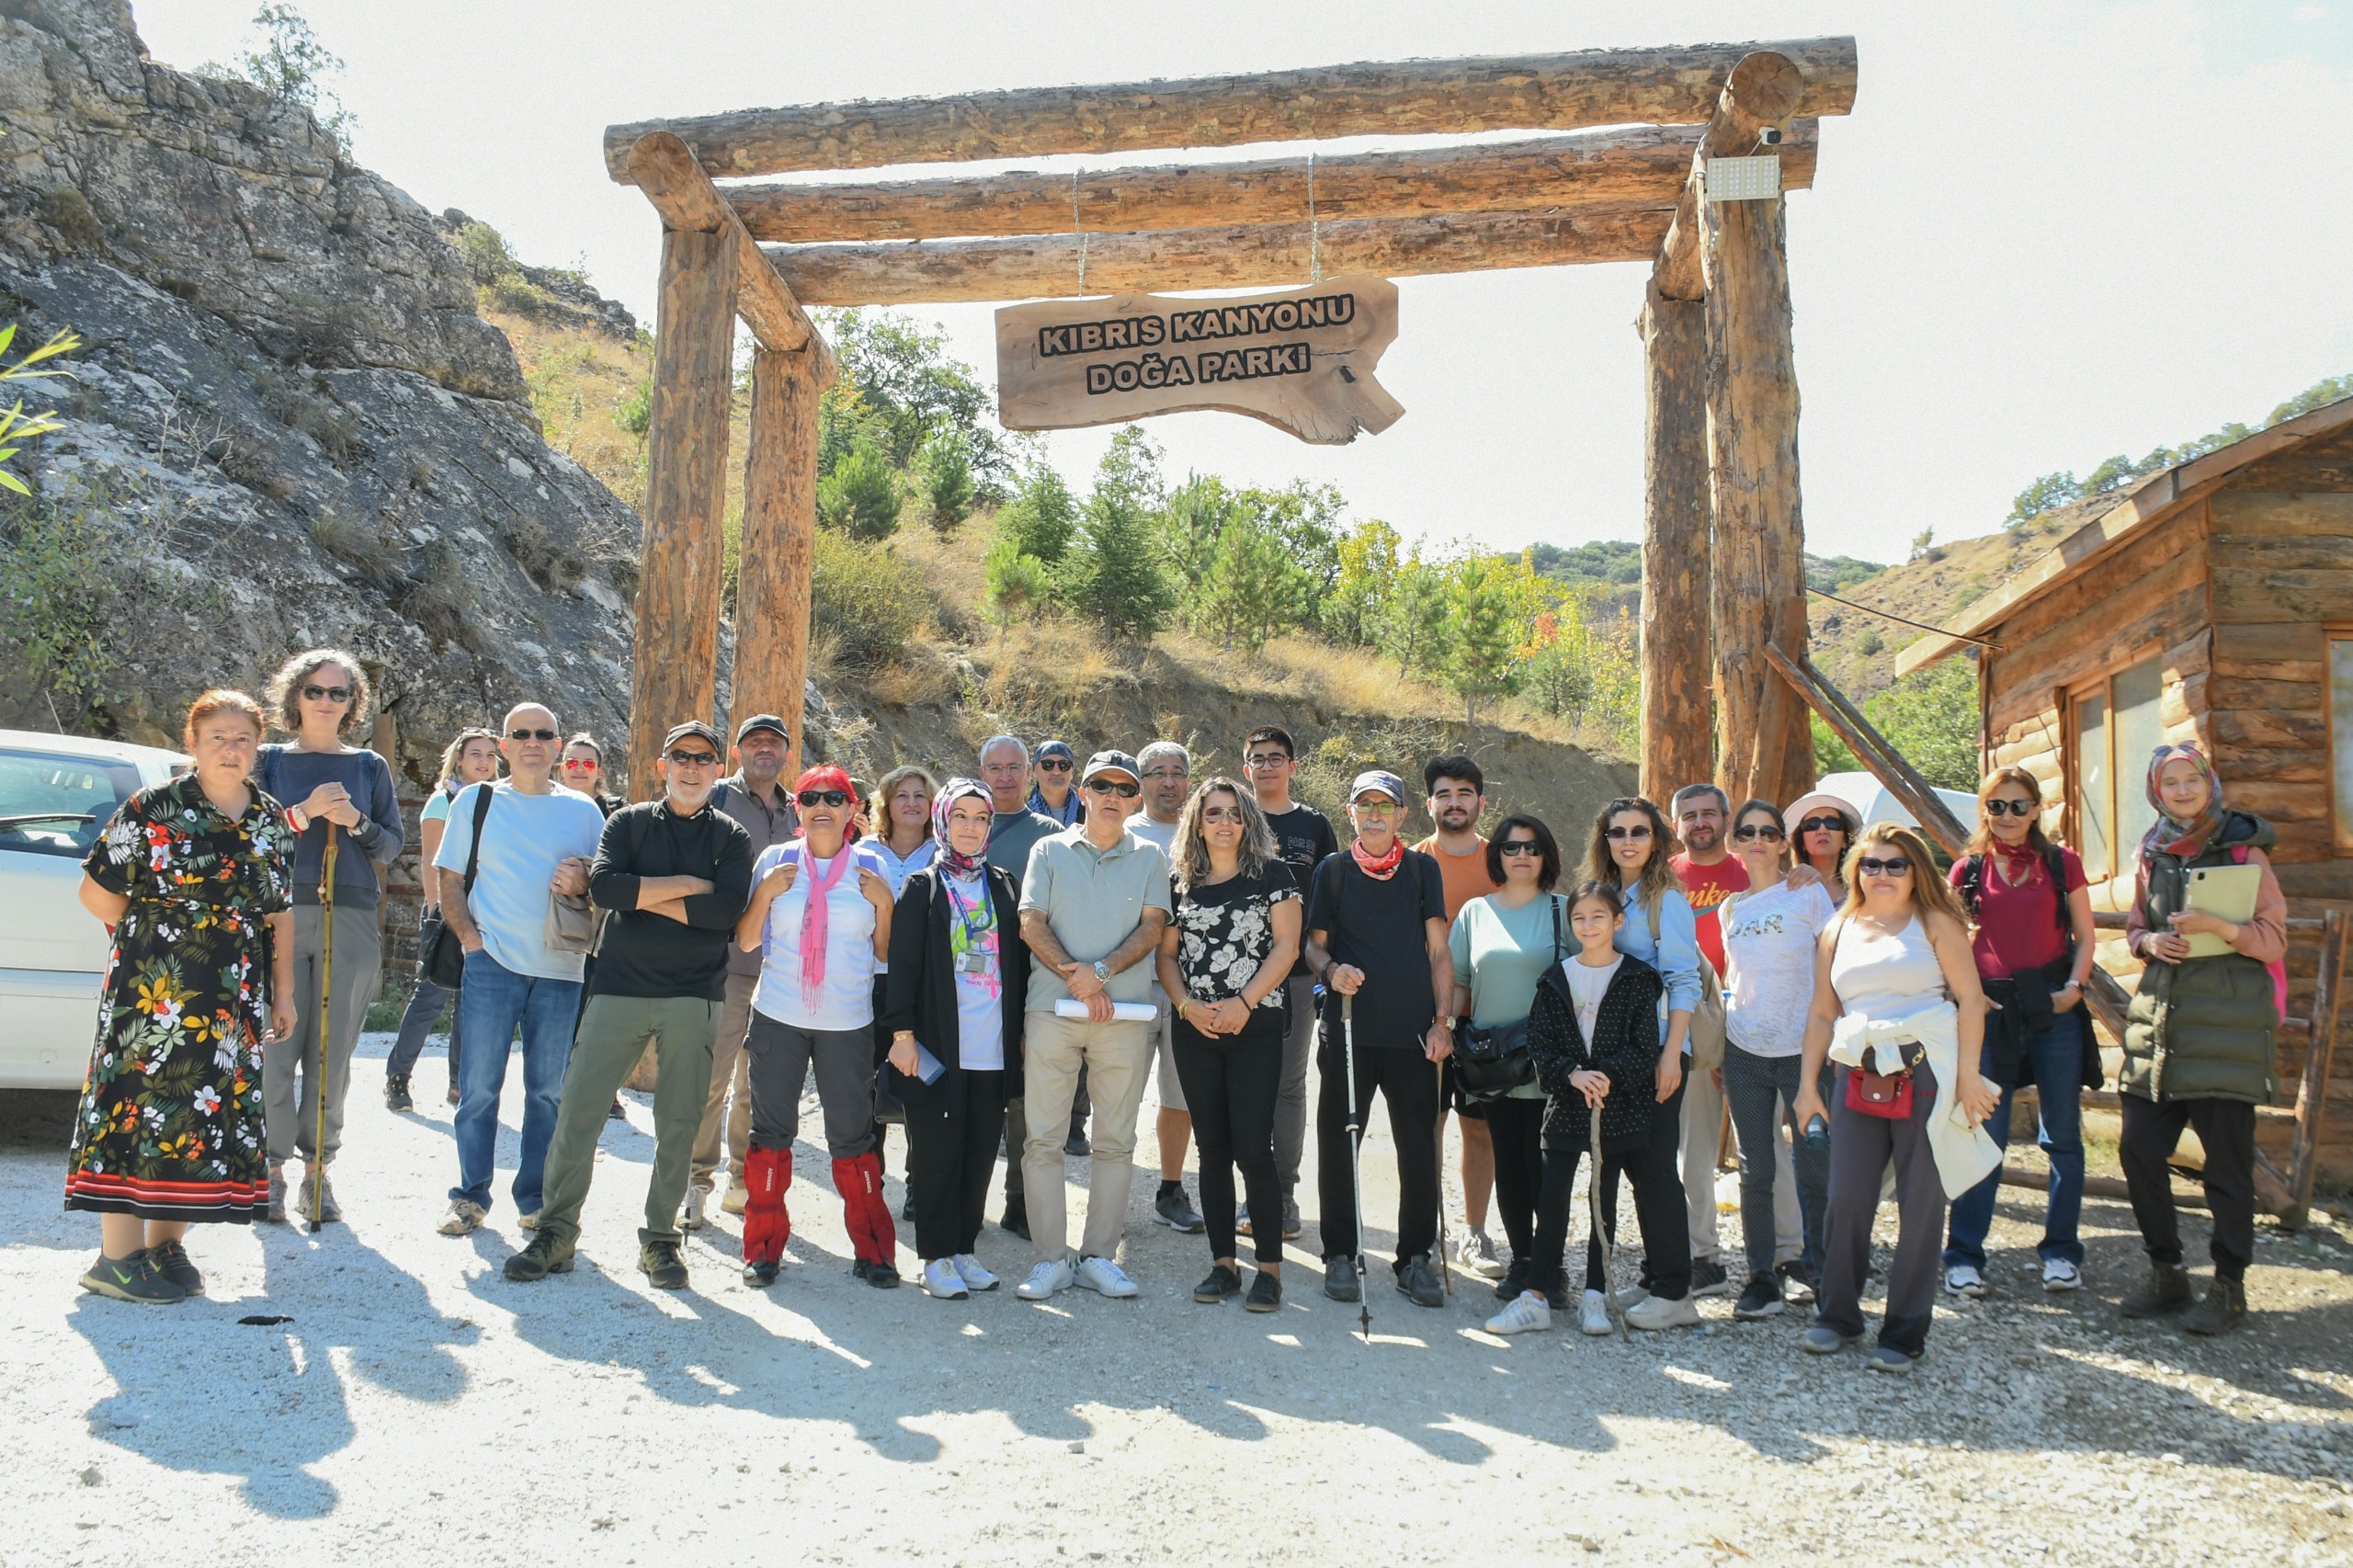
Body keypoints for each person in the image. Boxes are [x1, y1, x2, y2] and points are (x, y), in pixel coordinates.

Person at [66, 690, 297, 1302]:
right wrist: (154, 944)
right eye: (218, 736)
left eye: (243, 738)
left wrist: (284, 993)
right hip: (154, 995)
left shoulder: (269, 817)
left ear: (257, 749)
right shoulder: (153, 808)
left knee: (197, 1115)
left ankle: (164, 1246)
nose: (231, 748)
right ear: (191, 743)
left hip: (232, 996)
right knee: (135, 1108)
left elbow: (279, 912)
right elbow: (98, 895)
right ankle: (115, 1260)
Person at [504, 722, 753, 1290]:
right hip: (617, 988)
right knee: (578, 1114)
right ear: (661, 765)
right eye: (680, 757)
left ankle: (661, 1241)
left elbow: (727, 916)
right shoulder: (628, 822)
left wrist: (647, 892)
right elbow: (607, 890)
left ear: (718, 770)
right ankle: (556, 1231)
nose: (692, 768)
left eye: (704, 759)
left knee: (679, 1124)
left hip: (694, 995)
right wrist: (690, 884)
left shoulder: (731, 838)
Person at [1793, 824, 2000, 1373]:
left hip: (1926, 1067)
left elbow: (1972, 1001)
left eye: (1895, 865)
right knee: (1846, 1199)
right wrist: (1807, 1088)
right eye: (1870, 864)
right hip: (1856, 1070)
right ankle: (1837, 1315)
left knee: (1921, 1204)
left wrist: (1969, 1077)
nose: (1881, 874)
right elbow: (1821, 1012)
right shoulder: (1837, 929)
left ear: (1916, 872)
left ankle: (1905, 1331)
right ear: (1855, 870)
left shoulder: (1936, 923)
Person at [2116, 745, 2287, 1336]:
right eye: (2172, 781)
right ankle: (2167, 1273)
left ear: (2209, 784)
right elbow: (2137, 926)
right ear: (2156, 790)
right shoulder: (2152, 850)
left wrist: (2219, 927)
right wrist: (2148, 944)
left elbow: (2272, 940)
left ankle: (2229, 1287)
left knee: (2227, 1169)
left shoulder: (2244, 849)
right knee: (2138, 1151)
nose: (2183, 790)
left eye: (2193, 779)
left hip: (2225, 1033)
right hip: (2162, 1031)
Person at [431, 703, 608, 1237]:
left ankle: (535, 1198)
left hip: (561, 967)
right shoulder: (476, 801)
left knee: (548, 1092)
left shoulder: (585, 812)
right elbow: (450, 878)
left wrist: (584, 883)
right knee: (479, 1088)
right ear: (504, 746)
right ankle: (469, 1197)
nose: (533, 741)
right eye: (521, 733)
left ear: (559, 747)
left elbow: (609, 886)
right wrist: (470, 941)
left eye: (544, 734)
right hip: (492, 963)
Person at [1012, 750, 1173, 1301]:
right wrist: (1074, 976)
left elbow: (1154, 928)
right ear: (1082, 792)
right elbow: (1030, 921)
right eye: (1100, 785)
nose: (1111, 795)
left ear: (1135, 800)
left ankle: (1099, 1257)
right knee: (1044, 1140)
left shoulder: (1151, 856)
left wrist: (1100, 974)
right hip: (1052, 1011)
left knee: (1114, 1140)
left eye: (1123, 788)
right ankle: (1050, 1260)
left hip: (1121, 1014)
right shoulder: (1048, 849)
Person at [734, 764, 899, 1288]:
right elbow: (744, 941)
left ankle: (874, 1252)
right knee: (770, 1135)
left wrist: (886, 905)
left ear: (854, 810)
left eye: (835, 797)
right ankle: (762, 1250)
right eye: (811, 798)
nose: (822, 806)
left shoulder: (873, 866)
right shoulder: (776, 860)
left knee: (853, 1139)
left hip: (848, 1022)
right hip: (779, 1016)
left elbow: (887, 955)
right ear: (798, 810)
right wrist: (764, 895)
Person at [256, 649, 404, 1224]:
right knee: (274, 1048)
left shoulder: (369, 766)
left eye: (338, 693)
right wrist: (303, 814)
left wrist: (355, 823)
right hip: (279, 913)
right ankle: (268, 1174)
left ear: (353, 703)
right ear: (296, 696)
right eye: (315, 690)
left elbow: (391, 845)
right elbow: (245, 835)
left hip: (351, 915)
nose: (325, 701)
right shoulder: (268, 761)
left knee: (332, 1051)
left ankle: (319, 1174)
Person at [1942, 767, 2098, 1299]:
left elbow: (2085, 933)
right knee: (1983, 1132)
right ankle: (1963, 1256)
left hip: (2052, 1004)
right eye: (1996, 806)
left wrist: (2076, 987)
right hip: (1989, 1011)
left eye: (2017, 805)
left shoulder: (2061, 863)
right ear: (1984, 811)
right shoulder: (1966, 870)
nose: (2006, 816)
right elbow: (1947, 940)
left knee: (2062, 1137)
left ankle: (2060, 1254)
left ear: (2036, 810)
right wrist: (1969, 995)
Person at [1489, 879, 1671, 1335]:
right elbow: (1541, 1043)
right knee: (1552, 1199)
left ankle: (1595, 1294)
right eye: (1579, 918)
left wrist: (1608, 1074)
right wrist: (1570, 1073)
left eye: (1598, 917)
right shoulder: (1556, 978)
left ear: (1617, 921)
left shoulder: (1636, 978)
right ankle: (1534, 1296)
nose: (1588, 926)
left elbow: (1645, 1045)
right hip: (1567, 1105)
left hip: (1616, 1105)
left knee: (1601, 1199)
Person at [1306, 769, 1452, 1309]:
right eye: (1364, 805)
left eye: (1384, 807)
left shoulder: (1421, 870)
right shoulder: (1333, 871)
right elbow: (1313, 947)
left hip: (1414, 1033)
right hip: (1348, 1030)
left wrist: (1443, 1022)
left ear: (1402, 816)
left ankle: (1415, 1258)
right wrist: (1332, 970)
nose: (1374, 815)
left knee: (1418, 1147)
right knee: (1340, 1142)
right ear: (1351, 813)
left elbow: (1439, 952)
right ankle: (1340, 1254)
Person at [1155, 777, 1302, 1311]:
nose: (1223, 822)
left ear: (1248, 822)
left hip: (1254, 1025)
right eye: (1212, 813)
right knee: (1211, 1150)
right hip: (1194, 1028)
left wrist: (1243, 1003)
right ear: (1197, 821)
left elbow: (1287, 947)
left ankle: (1269, 1270)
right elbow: (1167, 957)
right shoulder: (1179, 881)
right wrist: (1187, 1007)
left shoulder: (1274, 876)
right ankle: (1223, 1265)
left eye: (1233, 813)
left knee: (1251, 1150)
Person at [881, 780, 1032, 1300]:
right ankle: (934, 1257)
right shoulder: (923, 887)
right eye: (960, 816)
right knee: (936, 1153)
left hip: (991, 1046)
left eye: (981, 818)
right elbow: (900, 969)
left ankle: (964, 1251)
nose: (970, 827)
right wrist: (901, 1034)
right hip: (938, 1046)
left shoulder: (1004, 884)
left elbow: (1019, 965)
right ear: (943, 822)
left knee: (979, 1150)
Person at [1670, 781, 1799, 1297]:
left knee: (1765, 1146)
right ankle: (1703, 1256)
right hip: (1695, 1022)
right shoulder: (1667, 878)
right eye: (1689, 815)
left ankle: (1787, 1254)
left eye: (1709, 813)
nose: (1700, 822)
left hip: (1753, 1024)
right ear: (1676, 823)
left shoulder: (1758, 870)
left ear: (1727, 820)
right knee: (1692, 1148)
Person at [1579, 795, 1700, 1326]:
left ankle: (1676, 1294)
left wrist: (1671, 1055)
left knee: (1655, 1171)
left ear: (1657, 840)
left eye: (1640, 831)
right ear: (1604, 840)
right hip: (1617, 1055)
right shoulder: (1613, 895)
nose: (1628, 840)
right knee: (1634, 1167)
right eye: (1617, 831)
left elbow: (1683, 979)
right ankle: (1654, 1279)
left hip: (1657, 1052)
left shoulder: (1666, 901)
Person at [1717, 798, 1837, 1320]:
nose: (1759, 840)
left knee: (1816, 1168)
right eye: (1748, 832)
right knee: (1755, 1171)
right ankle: (1761, 1278)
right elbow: (1733, 979)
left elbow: (1836, 966)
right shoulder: (1729, 908)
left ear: (1783, 841)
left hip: (1803, 1053)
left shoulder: (1808, 892)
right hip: (1744, 1050)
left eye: (1769, 831)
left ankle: (1829, 1276)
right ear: (1735, 842)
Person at [1447, 814, 1564, 1309]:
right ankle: (1522, 1261)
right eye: (1512, 848)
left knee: (1546, 1167)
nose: (1522, 856)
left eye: (1532, 848)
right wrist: (1440, 1028)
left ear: (1546, 856)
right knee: (1509, 1163)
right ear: (1498, 855)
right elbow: (1457, 982)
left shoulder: (1565, 911)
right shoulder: (1475, 913)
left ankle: (1550, 1267)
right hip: (1492, 1060)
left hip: (1549, 1061)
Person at [688, 714, 799, 1226]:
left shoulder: (802, 809)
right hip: (725, 962)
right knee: (710, 1077)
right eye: (753, 742)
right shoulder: (717, 800)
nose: (764, 750)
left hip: (781, 967)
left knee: (756, 1083)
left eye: (773, 743)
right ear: (737, 753)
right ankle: (695, 1180)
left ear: (786, 754)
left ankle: (740, 1176)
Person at [1240, 723, 1337, 1243]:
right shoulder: (1229, 813)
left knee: (1288, 1085)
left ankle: (1282, 1194)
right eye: (1258, 757)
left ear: (1292, 767)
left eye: (1277, 757)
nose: (1268, 765)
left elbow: (1329, 899)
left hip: (1297, 976)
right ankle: (1248, 1193)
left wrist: (1325, 968)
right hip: (1233, 975)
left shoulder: (1314, 825)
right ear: (1246, 766)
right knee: (1243, 1084)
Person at [1415, 755, 1506, 1282]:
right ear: (1429, 804)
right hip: (1427, 1017)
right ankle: (1424, 1228)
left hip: (1485, 1018)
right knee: (1427, 1125)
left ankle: (1475, 1231)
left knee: (1480, 1131)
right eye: (1444, 793)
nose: (1455, 802)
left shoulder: (1504, 860)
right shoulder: (1411, 862)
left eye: (1464, 793)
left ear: (1480, 802)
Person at [386, 727, 501, 1112]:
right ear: (460, 759)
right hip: (446, 910)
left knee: (471, 1000)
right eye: (475, 754)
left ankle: (458, 1083)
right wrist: (440, 915)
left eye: (489, 755)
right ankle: (398, 1077)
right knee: (431, 996)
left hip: (485, 911)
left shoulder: (500, 800)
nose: (483, 761)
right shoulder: (444, 800)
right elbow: (431, 862)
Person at [979, 734, 1064, 1240]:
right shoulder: (960, 822)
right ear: (982, 771)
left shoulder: (1049, 834)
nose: (1006, 776)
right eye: (996, 767)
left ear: (1029, 772)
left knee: (1024, 1098)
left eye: (1015, 767)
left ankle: (1019, 1200)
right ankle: (935, 1189)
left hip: (1028, 977)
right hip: (967, 980)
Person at [1129, 740, 1202, 1235]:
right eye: (1158, 772)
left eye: (1178, 772)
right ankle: (1109, 1191)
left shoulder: (1207, 833)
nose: (1169, 781)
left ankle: (1170, 1189)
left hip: (1187, 987)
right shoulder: (1120, 831)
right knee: (1119, 1093)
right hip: (1130, 984)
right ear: (1141, 783)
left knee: (1180, 1096)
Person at [869, 763, 938, 1217]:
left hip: (923, 986)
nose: (911, 802)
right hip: (867, 981)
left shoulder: (945, 854)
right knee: (865, 1086)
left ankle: (919, 1184)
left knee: (921, 1087)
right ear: (886, 805)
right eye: (902, 795)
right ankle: (868, 1185)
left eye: (920, 795)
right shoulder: (861, 852)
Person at [1784, 790, 1859, 906]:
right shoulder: (1786, 890)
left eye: (1832, 823)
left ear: (1845, 840)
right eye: (1812, 825)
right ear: (1802, 842)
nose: (1822, 830)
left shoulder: (1861, 889)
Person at [560, 734, 623, 816]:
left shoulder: (616, 809)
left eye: (588, 764)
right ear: (562, 769)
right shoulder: (550, 808)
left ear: (599, 772)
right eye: (572, 763)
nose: (579, 769)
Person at [1027, 738, 1085, 827]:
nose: (1056, 771)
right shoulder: (1022, 816)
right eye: (1048, 765)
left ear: (1072, 772)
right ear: (1033, 771)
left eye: (1064, 765)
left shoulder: (1089, 814)